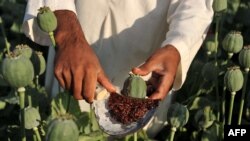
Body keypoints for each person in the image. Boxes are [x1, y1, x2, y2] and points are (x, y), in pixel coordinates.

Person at [22, 0, 214, 138]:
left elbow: (195, 6)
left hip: (148, 76)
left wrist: (177, 48)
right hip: (73, 60)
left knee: (141, 132)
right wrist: (67, 32)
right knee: (67, 127)